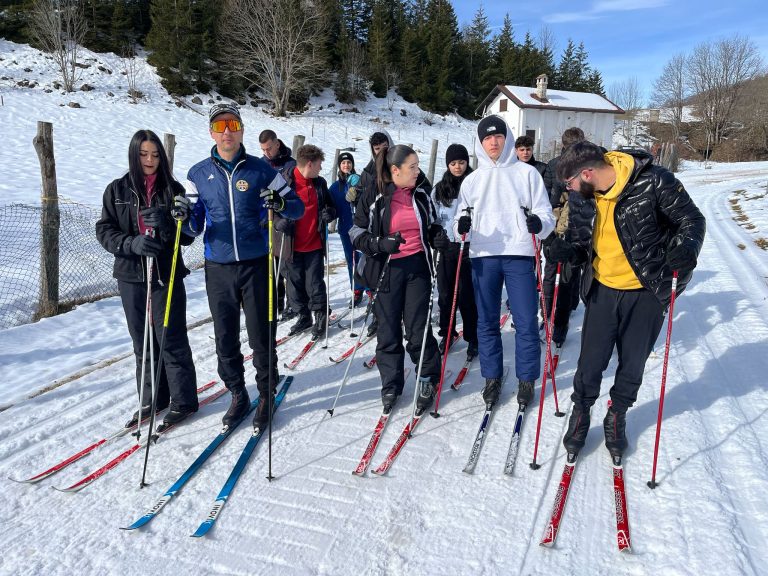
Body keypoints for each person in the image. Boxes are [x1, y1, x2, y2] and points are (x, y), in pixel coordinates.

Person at [554, 140, 705, 458]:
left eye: (570, 183)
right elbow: (584, 243)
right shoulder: (585, 198)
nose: (568, 190)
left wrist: (687, 248)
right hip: (603, 290)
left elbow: (692, 220)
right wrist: (569, 251)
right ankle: (581, 413)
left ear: (588, 172)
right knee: (590, 363)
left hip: (647, 292)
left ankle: (617, 414)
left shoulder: (654, 180)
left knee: (632, 364)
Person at [183, 103, 304, 431]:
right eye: (220, 126)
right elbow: (192, 229)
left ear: (241, 130)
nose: (227, 132)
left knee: (261, 334)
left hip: (255, 265)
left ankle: (265, 394)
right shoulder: (197, 174)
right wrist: (182, 217)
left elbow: (296, 207)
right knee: (225, 337)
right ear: (211, 132)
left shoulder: (261, 171)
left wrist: (278, 203)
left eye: (232, 124)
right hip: (218, 267)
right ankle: (237, 393)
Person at [96, 130, 199, 428]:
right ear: (133, 154)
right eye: (143, 154)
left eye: (155, 154)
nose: (150, 160)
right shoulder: (117, 190)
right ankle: (152, 399)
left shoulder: (173, 189)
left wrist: (168, 224)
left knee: (170, 337)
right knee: (142, 342)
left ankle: (183, 400)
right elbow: (105, 230)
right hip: (131, 276)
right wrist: (131, 244)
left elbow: (187, 238)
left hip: (165, 274)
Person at [453, 115, 555, 409]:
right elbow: (460, 217)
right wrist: (460, 226)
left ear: (507, 138)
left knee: (524, 321)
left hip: (519, 254)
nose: (493, 142)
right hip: (484, 256)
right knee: (486, 322)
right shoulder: (472, 180)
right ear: (480, 143)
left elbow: (545, 215)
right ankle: (492, 377)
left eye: (498, 137)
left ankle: (526, 379)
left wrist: (539, 223)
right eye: (487, 138)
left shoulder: (527, 174)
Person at [350, 144, 441, 415]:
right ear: (395, 170)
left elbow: (432, 222)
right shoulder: (373, 197)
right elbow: (355, 233)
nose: (417, 171)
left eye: (417, 166)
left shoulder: (422, 194)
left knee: (417, 327)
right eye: (412, 167)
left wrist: (436, 235)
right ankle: (391, 383)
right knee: (388, 330)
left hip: (417, 268)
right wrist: (379, 243)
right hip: (385, 268)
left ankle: (427, 376)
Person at [540, 127, 594, 345]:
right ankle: (547, 310)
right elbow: (547, 194)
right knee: (551, 267)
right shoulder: (554, 165)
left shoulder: (590, 165)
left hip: (580, 224)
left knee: (570, 273)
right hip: (556, 223)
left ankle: (562, 319)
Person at [281, 144, 337, 339]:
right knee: (294, 284)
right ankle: (303, 316)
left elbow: (331, 206)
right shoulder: (285, 182)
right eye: (320, 164)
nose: (321, 169)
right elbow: (268, 210)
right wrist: (280, 222)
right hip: (291, 245)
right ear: (310, 164)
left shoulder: (319, 183)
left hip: (314, 243)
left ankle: (321, 314)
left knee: (314, 283)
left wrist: (329, 213)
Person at [430, 143, 479, 360]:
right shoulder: (440, 189)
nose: (457, 167)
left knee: (468, 295)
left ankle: (473, 336)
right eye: (453, 163)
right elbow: (432, 219)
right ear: (447, 164)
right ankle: (447, 333)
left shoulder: (477, 183)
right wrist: (435, 237)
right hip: (448, 247)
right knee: (446, 294)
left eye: (461, 162)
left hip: (471, 248)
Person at [259, 129, 297, 320]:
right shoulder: (260, 164)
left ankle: (292, 304)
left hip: (284, 222)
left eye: (269, 148)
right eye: (263, 149)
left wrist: (287, 219)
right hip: (267, 222)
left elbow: (295, 198)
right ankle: (275, 303)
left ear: (277, 144)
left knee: (285, 266)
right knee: (270, 268)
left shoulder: (290, 165)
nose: (267, 153)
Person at [327, 151, 366, 307]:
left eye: (349, 162)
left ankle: (370, 289)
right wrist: (328, 213)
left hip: (361, 228)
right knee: (352, 260)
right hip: (345, 228)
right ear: (339, 166)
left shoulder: (360, 181)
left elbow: (369, 199)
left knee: (365, 258)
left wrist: (360, 191)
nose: (346, 165)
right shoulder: (335, 187)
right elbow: (331, 207)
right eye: (343, 163)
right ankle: (356, 290)